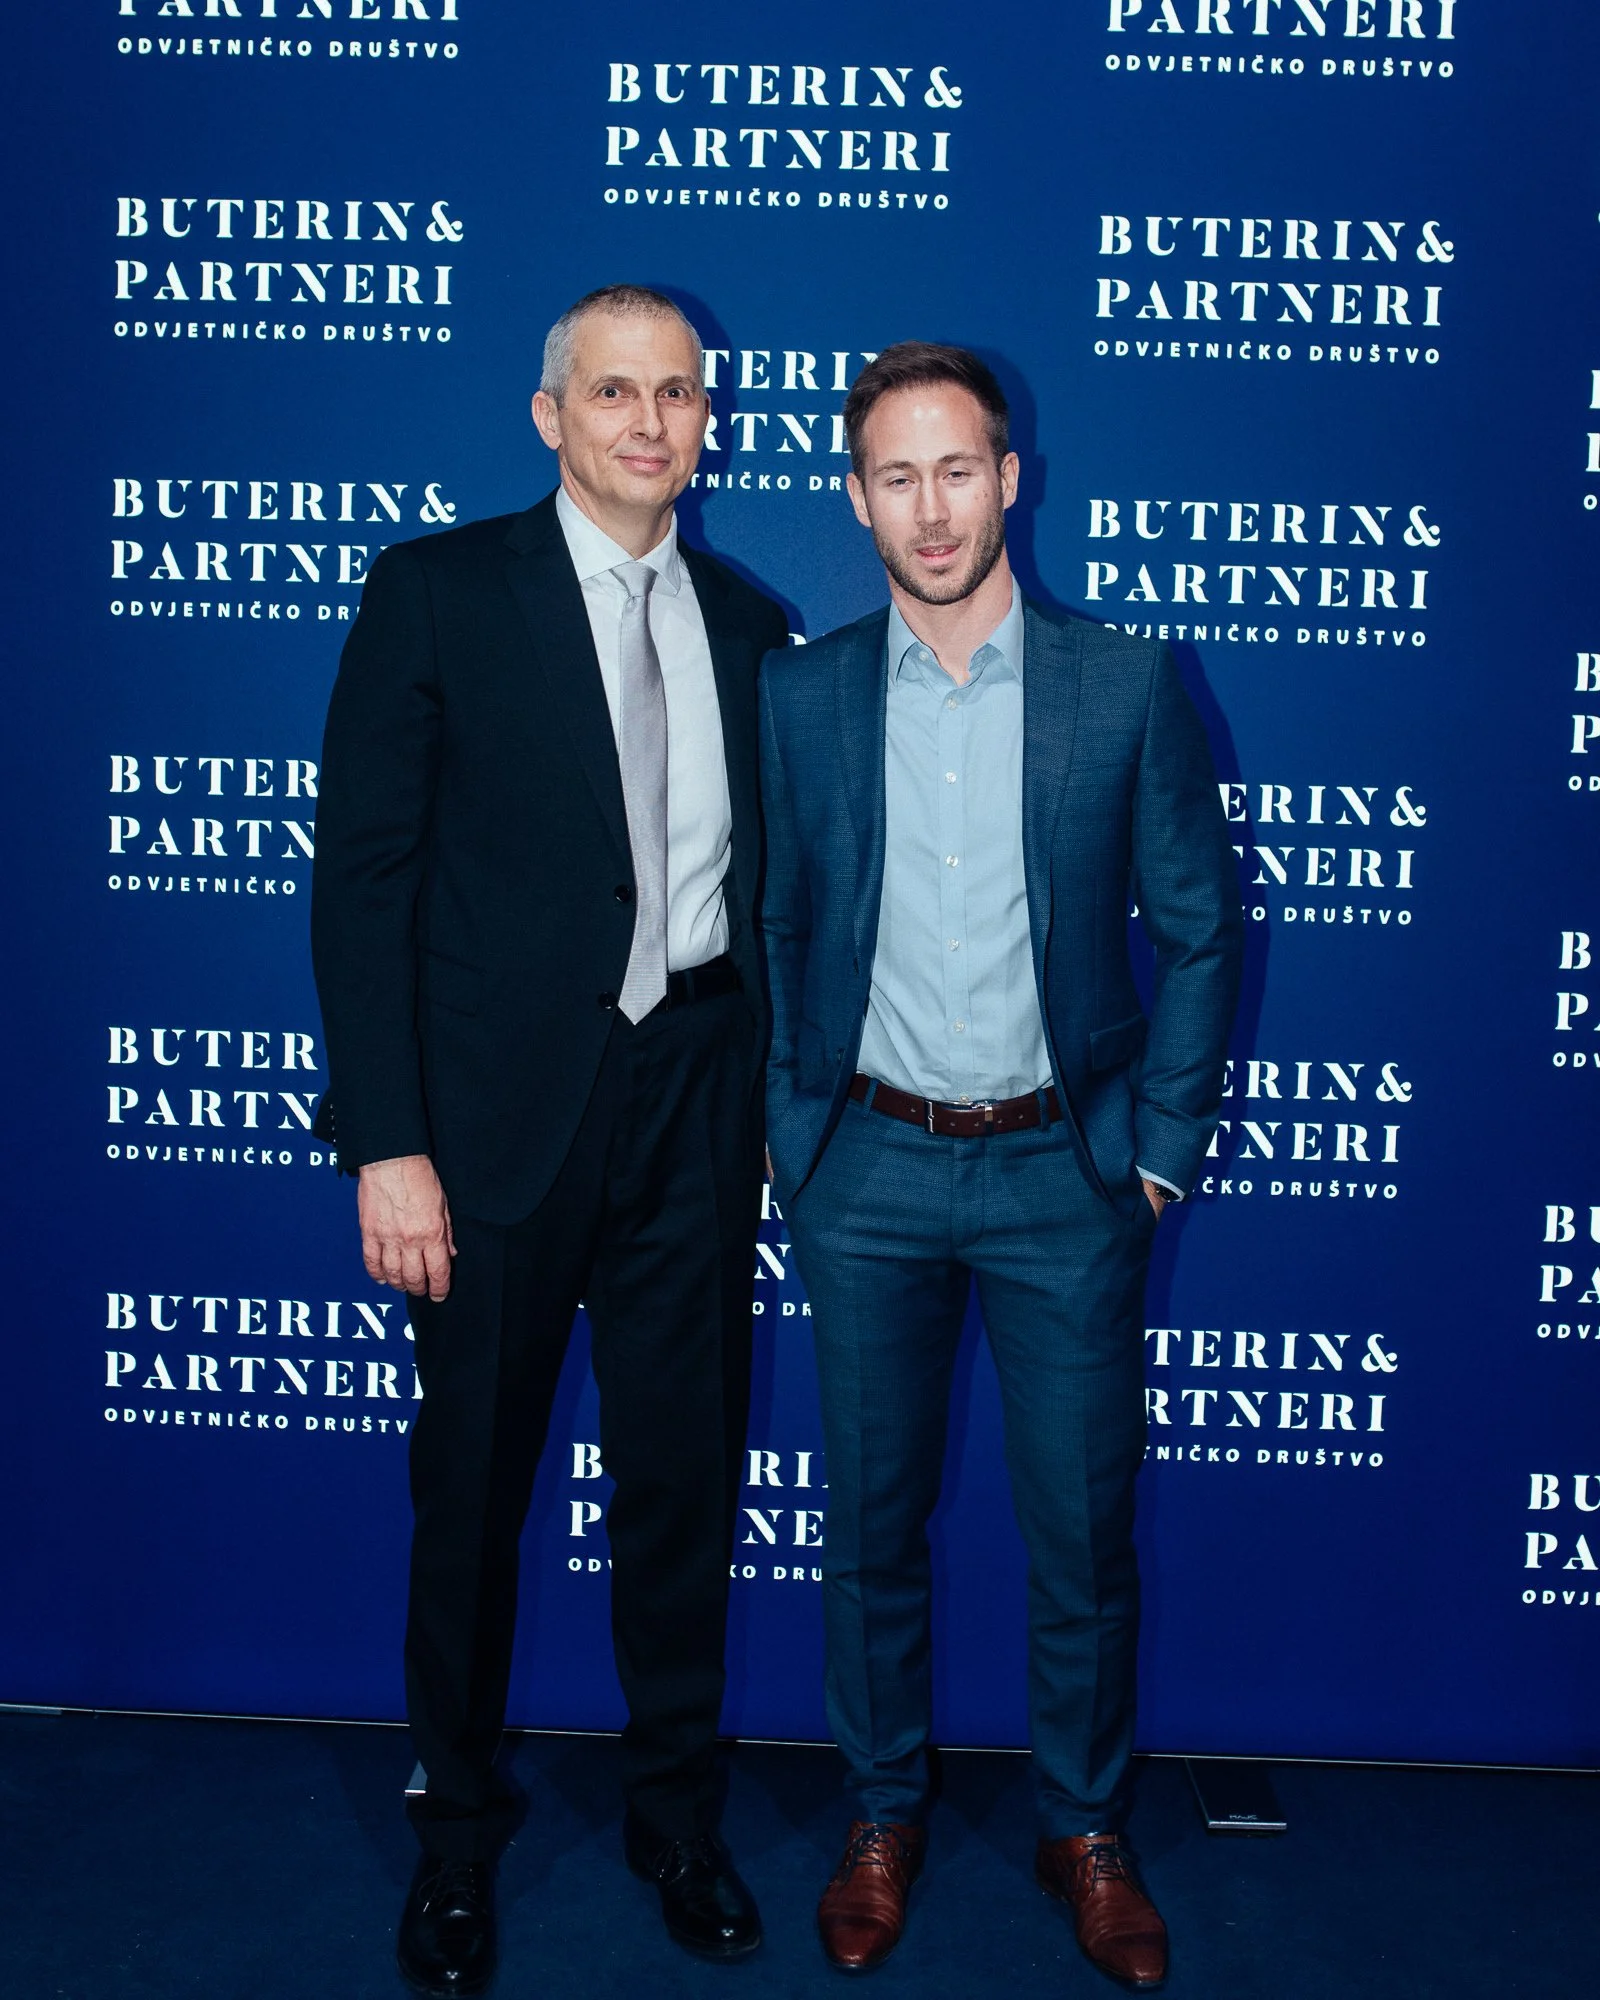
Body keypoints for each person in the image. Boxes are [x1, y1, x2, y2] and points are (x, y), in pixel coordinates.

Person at [311, 285, 788, 1994]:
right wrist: (389, 1143)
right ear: (549, 416)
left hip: (689, 1117)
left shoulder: (749, 623)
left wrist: (758, 1120)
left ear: (709, 420)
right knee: (471, 1500)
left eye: (675, 394)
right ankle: (454, 1839)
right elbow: (361, 883)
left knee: (682, 1487)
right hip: (490, 1130)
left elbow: (762, 905)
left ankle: (679, 1814)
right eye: (611, 393)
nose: (646, 422)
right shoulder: (437, 592)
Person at [757, 343, 1243, 1989]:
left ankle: (1085, 1826)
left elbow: (1198, 928)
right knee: (869, 1529)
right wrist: (791, 1144)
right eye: (895, 475)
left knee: (1078, 1535)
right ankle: (882, 1812)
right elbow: (777, 931)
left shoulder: (1123, 682)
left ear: (1011, 476)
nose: (931, 506)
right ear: (857, 496)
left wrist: (1158, 1151)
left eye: (957, 468)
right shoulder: (805, 692)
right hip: (867, 1176)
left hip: (1065, 1183)